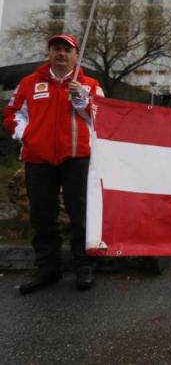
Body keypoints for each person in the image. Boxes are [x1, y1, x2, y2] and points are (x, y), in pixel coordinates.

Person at [3, 34, 104, 294]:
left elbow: (103, 119)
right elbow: (12, 114)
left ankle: (85, 266)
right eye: (56, 49)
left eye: (66, 50)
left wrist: (83, 101)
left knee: (81, 215)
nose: (61, 53)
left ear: (76, 55)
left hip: (78, 158)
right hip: (38, 159)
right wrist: (26, 135)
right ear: (49, 53)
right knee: (42, 216)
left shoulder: (90, 84)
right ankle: (47, 268)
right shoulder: (28, 83)